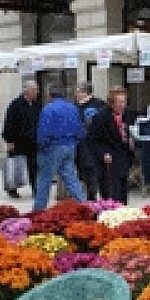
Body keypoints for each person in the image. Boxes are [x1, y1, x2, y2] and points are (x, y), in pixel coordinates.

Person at [34, 83, 87, 211]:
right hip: (70, 145)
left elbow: (44, 131)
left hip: (53, 147)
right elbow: (80, 130)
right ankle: (85, 206)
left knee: (44, 180)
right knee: (71, 179)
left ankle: (38, 210)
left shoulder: (48, 109)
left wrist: (41, 146)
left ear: (49, 95)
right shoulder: (72, 108)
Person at [90, 87, 134, 204]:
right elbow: (94, 140)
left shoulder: (128, 113)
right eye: (119, 102)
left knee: (123, 187)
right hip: (109, 157)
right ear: (111, 103)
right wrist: (103, 154)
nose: (122, 105)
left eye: (124, 101)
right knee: (112, 191)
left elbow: (130, 130)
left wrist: (131, 140)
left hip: (123, 155)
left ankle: (123, 212)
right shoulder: (100, 117)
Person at [2, 81, 41, 199]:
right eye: (35, 90)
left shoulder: (36, 105)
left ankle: (36, 188)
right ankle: (12, 188)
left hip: (33, 141)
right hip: (18, 141)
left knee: (34, 165)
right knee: (14, 165)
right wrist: (9, 140)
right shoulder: (15, 105)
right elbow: (9, 123)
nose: (37, 92)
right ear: (27, 91)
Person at [75, 81, 107, 201]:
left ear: (85, 92)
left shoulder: (99, 104)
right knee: (82, 171)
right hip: (80, 144)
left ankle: (92, 198)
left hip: (94, 144)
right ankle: (88, 196)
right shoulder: (75, 106)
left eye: (78, 91)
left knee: (91, 170)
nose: (76, 94)